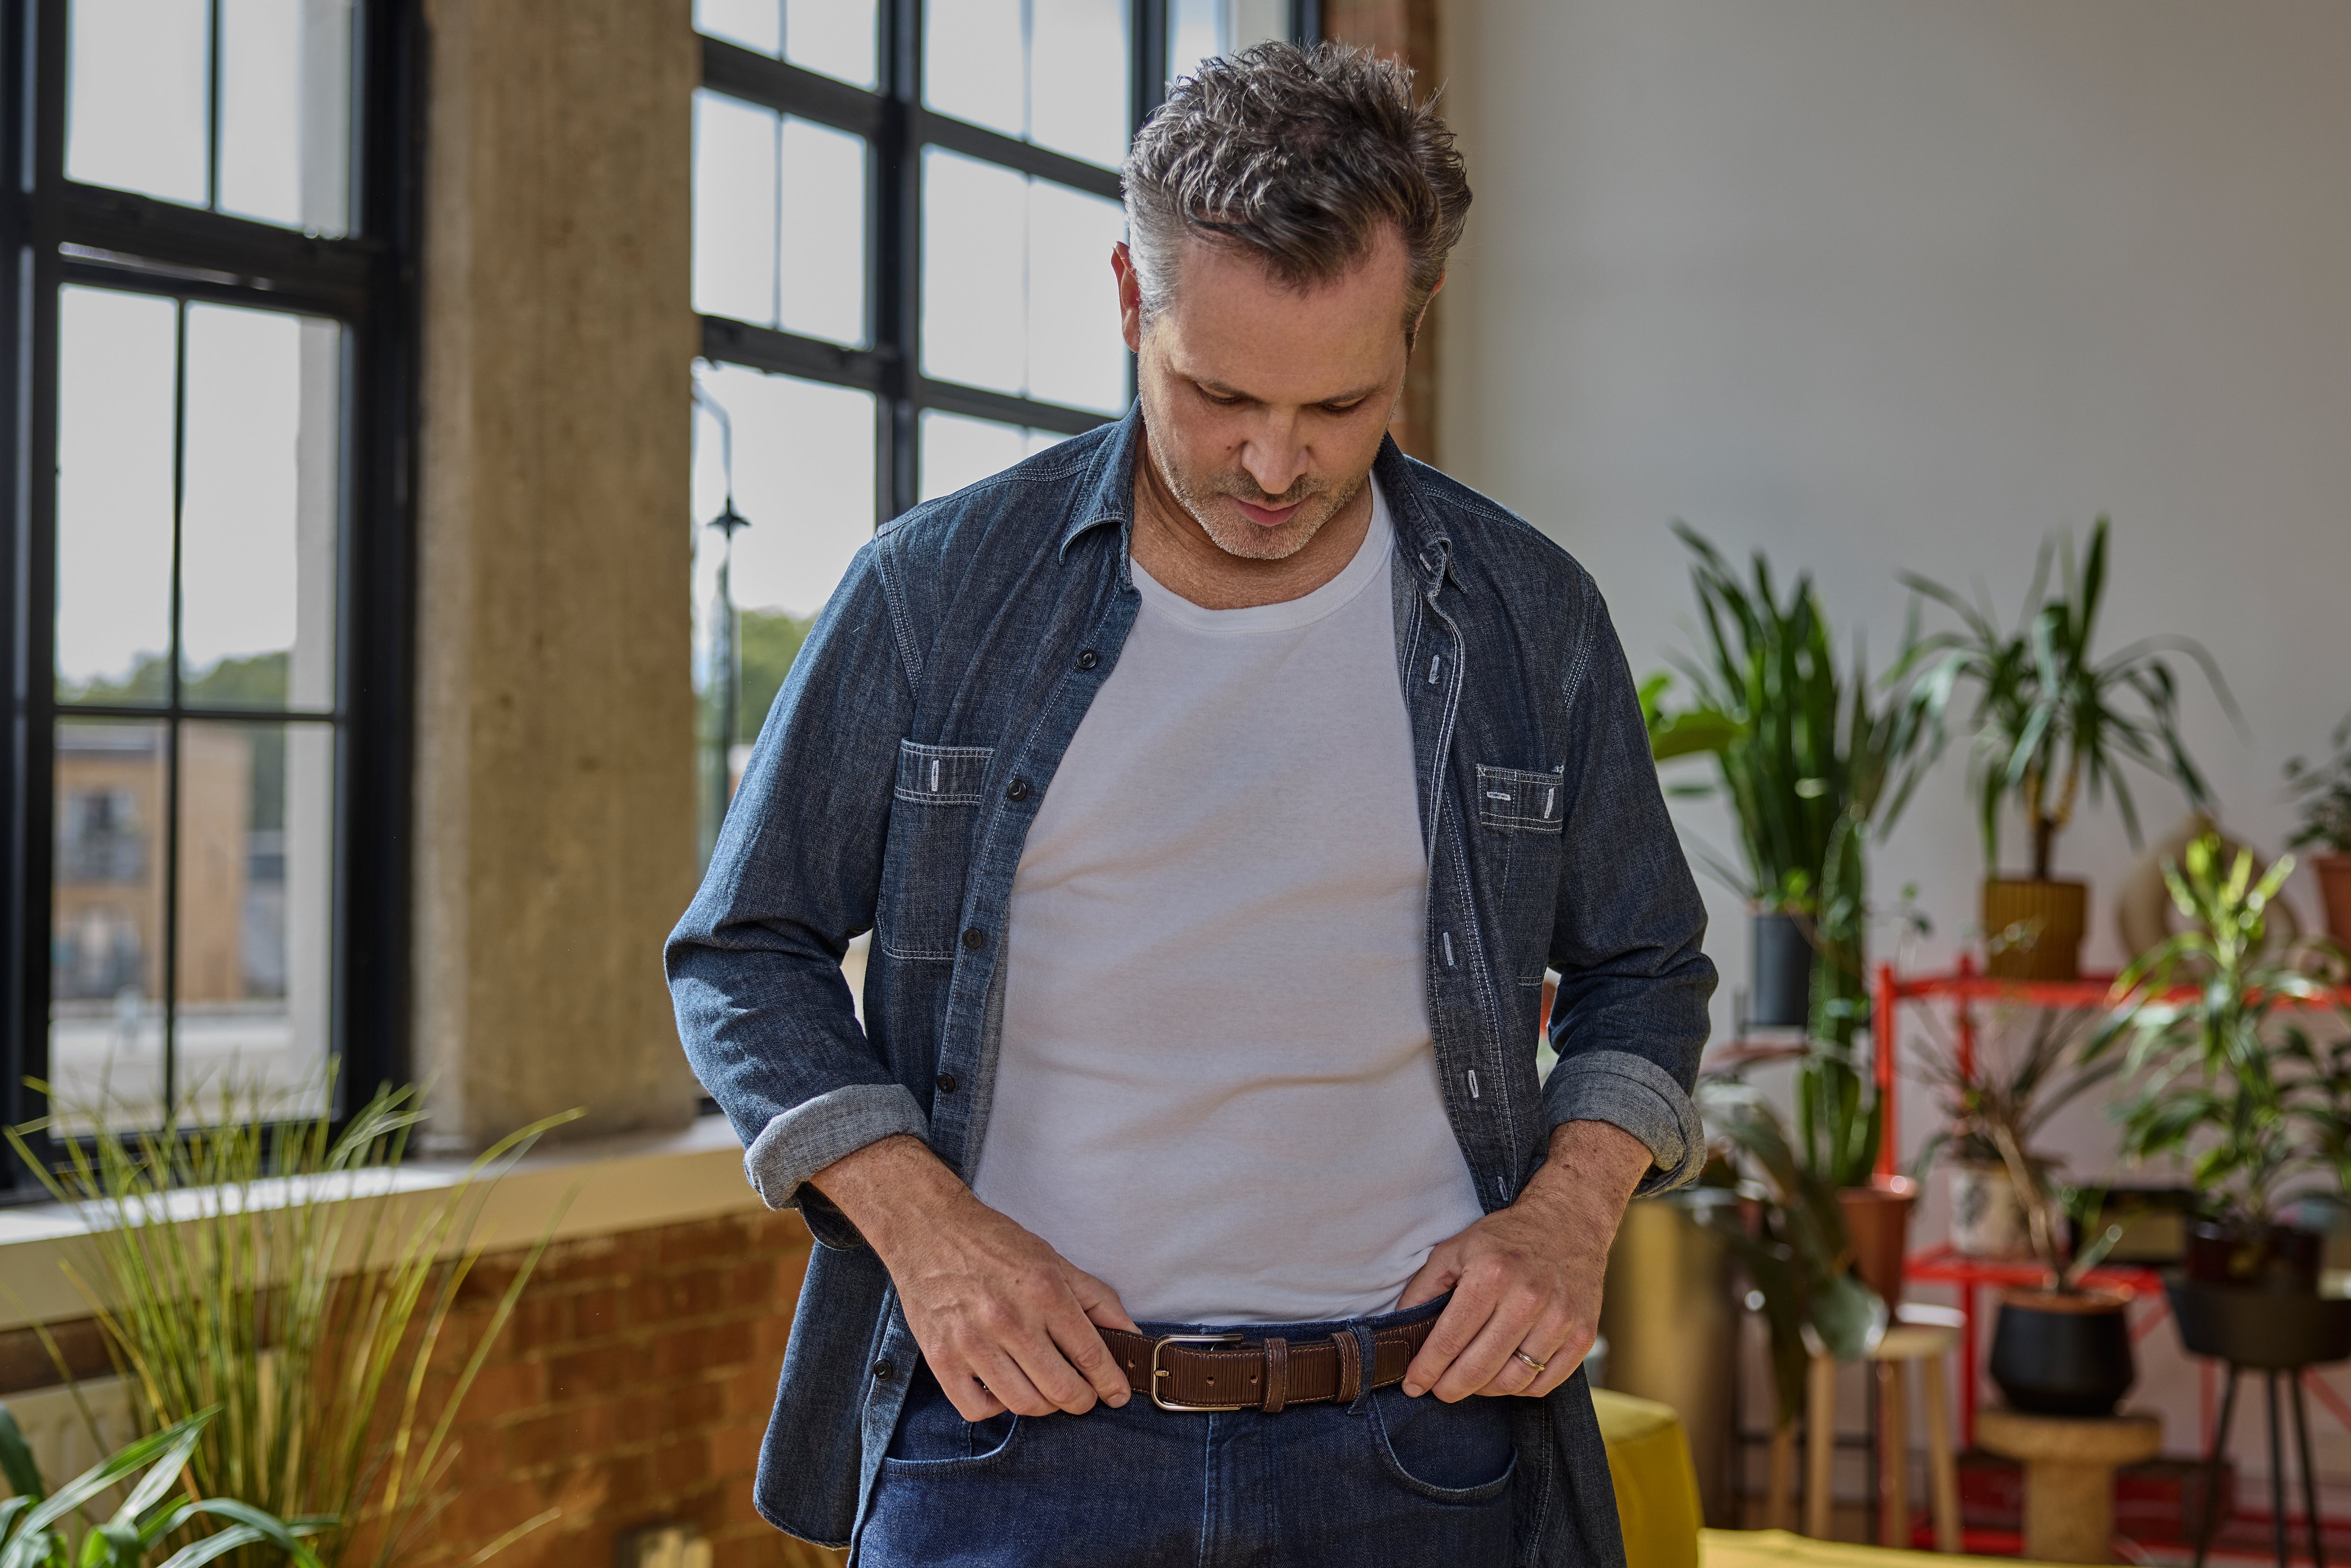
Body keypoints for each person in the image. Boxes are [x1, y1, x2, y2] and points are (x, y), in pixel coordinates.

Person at [668, 40, 1715, 1568]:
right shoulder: (934, 594)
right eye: (1217, 393)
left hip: (1420, 1449)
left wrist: (1570, 1211)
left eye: (1340, 403)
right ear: (1126, 298)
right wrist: (924, 1229)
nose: (1274, 464)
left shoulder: (1527, 618)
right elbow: (744, 953)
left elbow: (1647, 968)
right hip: (1010, 1445)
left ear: (1413, 324)